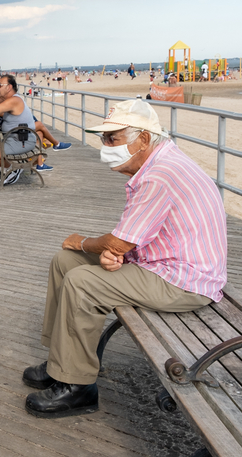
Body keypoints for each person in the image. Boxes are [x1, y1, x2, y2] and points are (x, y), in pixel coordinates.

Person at [23, 99, 227, 417]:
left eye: (112, 139)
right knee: (64, 262)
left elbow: (120, 241)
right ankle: (60, 361)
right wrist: (112, 254)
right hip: (161, 264)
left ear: (143, 139)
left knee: (83, 282)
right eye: (104, 139)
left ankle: (78, 387)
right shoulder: (159, 161)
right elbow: (129, 242)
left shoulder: (159, 175)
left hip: (185, 280)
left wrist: (85, 242)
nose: (106, 147)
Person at [0, 75, 39, 186]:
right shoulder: (8, 100)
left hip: (22, 141)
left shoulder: (14, 100)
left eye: (0, 85)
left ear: (9, 87)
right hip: (12, 139)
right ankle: (12, 168)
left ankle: (14, 169)